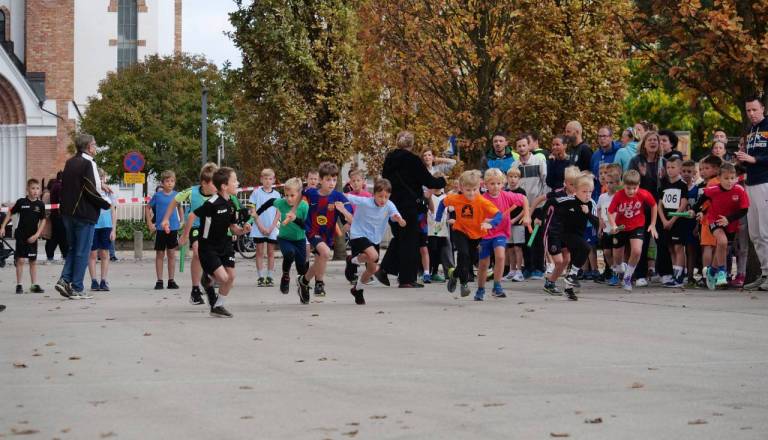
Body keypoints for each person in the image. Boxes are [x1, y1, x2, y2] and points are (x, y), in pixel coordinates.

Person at [179, 167, 251, 318]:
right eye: (234, 181)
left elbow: (233, 227)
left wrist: (243, 230)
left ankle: (217, 306)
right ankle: (209, 278)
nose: (238, 183)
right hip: (208, 246)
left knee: (231, 277)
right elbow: (192, 216)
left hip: (225, 244)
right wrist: (185, 236)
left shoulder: (231, 203)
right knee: (224, 278)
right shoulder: (212, 203)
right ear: (224, 186)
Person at [379, 131, 447, 288]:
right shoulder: (413, 159)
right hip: (409, 206)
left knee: (400, 238)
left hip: (392, 205)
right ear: (411, 144)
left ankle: (384, 269)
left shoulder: (389, 159)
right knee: (410, 240)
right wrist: (442, 181)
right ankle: (407, 279)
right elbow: (428, 180)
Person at [54, 134, 111, 300]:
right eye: (94, 144)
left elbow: (78, 185)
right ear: (88, 147)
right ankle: (77, 287)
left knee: (74, 249)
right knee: (82, 251)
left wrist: (101, 186)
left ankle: (64, 280)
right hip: (84, 213)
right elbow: (90, 189)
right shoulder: (89, 163)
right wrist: (105, 203)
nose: (96, 147)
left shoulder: (70, 162)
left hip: (67, 213)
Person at [435, 170, 502, 297]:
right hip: (460, 230)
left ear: (479, 187)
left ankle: (454, 274)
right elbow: (442, 204)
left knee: (469, 260)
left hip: (477, 235)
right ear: (461, 188)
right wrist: (438, 220)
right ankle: (464, 284)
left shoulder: (482, 201)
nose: (471, 193)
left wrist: (491, 224)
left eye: (474, 189)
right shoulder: (455, 198)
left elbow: (498, 215)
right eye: (468, 190)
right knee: (463, 254)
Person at [341, 178, 406, 305]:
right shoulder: (365, 201)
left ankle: (357, 289)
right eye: (380, 196)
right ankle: (353, 260)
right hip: (358, 233)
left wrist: (399, 220)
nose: (383, 199)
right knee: (374, 255)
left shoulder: (389, 205)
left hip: (374, 238)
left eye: (386, 196)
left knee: (371, 269)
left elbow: (395, 215)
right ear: (374, 194)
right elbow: (346, 196)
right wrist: (333, 197)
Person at [162, 163, 218, 306]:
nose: (217, 186)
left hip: (213, 228)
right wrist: (166, 219)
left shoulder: (219, 194)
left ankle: (208, 277)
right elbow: (174, 201)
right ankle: (195, 290)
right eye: (214, 183)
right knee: (198, 252)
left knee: (212, 256)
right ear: (204, 183)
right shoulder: (191, 192)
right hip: (195, 226)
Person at [689, 163, 750, 289]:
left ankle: (711, 271)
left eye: (732, 178)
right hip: (714, 220)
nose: (729, 181)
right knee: (722, 242)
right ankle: (721, 272)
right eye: (726, 178)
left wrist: (729, 219)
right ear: (719, 178)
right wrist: (694, 210)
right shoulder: (713, 190)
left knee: (722, 248)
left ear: (736, 178)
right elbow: (701, 199)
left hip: (730, 222)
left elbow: (744, 210)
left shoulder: (739, 190)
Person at [298, 162, 353, 299]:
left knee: (320, 259)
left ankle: (304, 281)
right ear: (320, 180)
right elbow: (296, 197)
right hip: (312, 231)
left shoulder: (339, 197)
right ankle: (319, 283)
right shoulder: (310, 193)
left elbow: (352, 220)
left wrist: (344, 211)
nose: (332, 183)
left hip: (327, 235)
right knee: (326, 253)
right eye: (328, 179)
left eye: (334, 180)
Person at [540, 174, 598, 301]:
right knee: (583, 249)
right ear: (576, 191)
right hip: (560, 233)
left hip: (576, 235)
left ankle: (568, 288)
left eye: (590, 192)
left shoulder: (591, 204)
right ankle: (568, 277)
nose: (587, 195)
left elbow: (596, 222)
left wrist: (587, 213)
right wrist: (541, 218)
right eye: (584, 191)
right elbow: (550, 202)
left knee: (573, 259)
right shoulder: (567, 201)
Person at [476, 168, 529, 300]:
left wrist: (527, 215)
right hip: (485, 234)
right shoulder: (482, 199)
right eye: (492, 184)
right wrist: (484, 221)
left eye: (499, 183)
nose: (496, 186)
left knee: (500, 256)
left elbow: (524, 199)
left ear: (503, 184)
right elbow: (477, 218)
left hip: (500, 233)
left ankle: (497, 286)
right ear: (485, 185)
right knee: (483, 264)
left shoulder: (507, 195)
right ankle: (480, 289)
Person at [252, 177, 309, 296]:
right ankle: (286, 276)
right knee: (289, 253)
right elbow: (269, 202)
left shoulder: (304, 206)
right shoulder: (281, 202)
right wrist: (257, 213)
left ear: (299, 194)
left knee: (302, 268)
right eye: (286, 195)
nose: (288, 198)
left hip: (300, 240)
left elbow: (307, 227)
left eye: (292, 195)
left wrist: (295, 219)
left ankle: (303, 289)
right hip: (284, 238)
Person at [736, 96, 768, 290]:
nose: (751, 114)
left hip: (765, 182)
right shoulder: (750, 130)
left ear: (762, 108)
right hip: (751, 182)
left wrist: (754, 159)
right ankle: (764, 274)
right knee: (755, 233)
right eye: (748, 111)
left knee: (765, 231)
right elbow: (750, 158)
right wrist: (742, 160)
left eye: (754, 110)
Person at [608, 170, 659, 292]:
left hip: (637, 225)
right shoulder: (619, 195)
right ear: (623, 185)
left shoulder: (644, 194)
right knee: (618, 259)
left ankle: (628, 277)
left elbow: (654, 205)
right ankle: (621, 269)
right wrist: (613, 225)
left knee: (637, 251)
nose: (631, 191)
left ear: (639, 185)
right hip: (621, 227)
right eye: (628, 188)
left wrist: (653, 224)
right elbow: (610, 211)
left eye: (634, 188)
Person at [628, 131, 665, 285]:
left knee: (661, 239)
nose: (653, 142)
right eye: (649, 140)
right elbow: (630, 181)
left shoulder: (663, 161)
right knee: (641, 240)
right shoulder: (636, 160)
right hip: (641, 206)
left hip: (660, 206)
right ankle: (640, 274)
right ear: (644, 143)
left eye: (655, 140)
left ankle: (664, 272)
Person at [0, 179, 47, 294]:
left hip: (33, 237)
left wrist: (37, 235)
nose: (35, 191)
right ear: (27, 189)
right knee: (20, 260)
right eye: (32, 188)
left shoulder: (40, 205)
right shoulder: (21, 202)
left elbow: (43, 220)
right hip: (21, 236)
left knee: (32, 261)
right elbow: (10, 212)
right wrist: (2, 227)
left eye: (37, 188)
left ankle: (34, 285)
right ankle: (19, 285)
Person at [656, 158, 689, 287]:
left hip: (678, 221)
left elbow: (684, 203)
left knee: (678, 247)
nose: (670, 170)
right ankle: (675, 273)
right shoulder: (664, 184)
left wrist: (673, 219)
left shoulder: (682, 184)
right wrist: (664, 220)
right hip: (665, 221)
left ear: (679, 169)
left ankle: (680, 275)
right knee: (670, 247)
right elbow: (659, 205)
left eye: (673, 167)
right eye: (668, 167)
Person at [147, 170, 181, 290]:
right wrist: (150, 223)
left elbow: (180, 206)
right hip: (161, 228)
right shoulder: (157, 196)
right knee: (160, 253)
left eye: (172, 181)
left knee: (171, 253)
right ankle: (159, 280)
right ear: (162, 183)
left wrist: (181, 221)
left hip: (173, 228)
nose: (170, 183)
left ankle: (171, 280)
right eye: (167, 181)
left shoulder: (177, 195)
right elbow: (148, 207)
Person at [249, 168, 281, 287]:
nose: (268, 181)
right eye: (265, 178)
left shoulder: (277, 195)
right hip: (259, 228)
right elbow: (253, 211)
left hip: (272, 229)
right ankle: (261, 277)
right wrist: (261, 227)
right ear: (261, 179)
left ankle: (270, 277)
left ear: (274, 180)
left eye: (270, 179)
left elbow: (279, 212)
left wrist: (272, 227)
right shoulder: (256, 193)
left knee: (271, 252)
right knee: (259, 252)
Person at [694, 155, 723, 287]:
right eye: (703, 168)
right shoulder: (722, 182)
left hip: (708, 219)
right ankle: (717, 273)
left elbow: (707, 201)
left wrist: (700, 211)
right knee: (717, 247)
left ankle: (707, 276)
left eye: (707, 168)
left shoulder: (712, 183)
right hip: (719, 219)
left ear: (716, 169)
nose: (703, 171)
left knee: (707, 247)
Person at [87, 169, 117, 292]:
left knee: (105, 253)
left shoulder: (110, 193)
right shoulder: (90, 191)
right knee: (92, 254)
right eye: (98, 178)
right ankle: (94, 281)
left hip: (106, 226)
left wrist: (113, 229)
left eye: (102, 177)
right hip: (93, 226)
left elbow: (113, 211)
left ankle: (103, 281)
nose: (100, 179)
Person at [596, 165, 622, 285]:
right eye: (607, 183)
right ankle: (612, 270)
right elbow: (599, 210)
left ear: (617, 183)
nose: (609, 185)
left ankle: (618, 273)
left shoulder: (619, 196)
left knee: (617, 253)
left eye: (611, 182)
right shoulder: (602, 197)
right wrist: (600, 225)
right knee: (606, 252)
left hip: (616, 229)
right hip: (606, 229)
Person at [426, 172, 453, 283]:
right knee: (431, 250)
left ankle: (435, 272)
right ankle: (427, 271)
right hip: (430, 228)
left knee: (439, 251)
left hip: (442, 229)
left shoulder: (446, 197)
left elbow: (450, 210)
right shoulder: (428, 196)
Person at [504, 167, 528, 282]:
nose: (513, 179)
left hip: (518, 223)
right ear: (507, 178)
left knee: (518, 247)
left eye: (515, 177)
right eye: (510, 177)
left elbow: (525, 208)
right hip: (507, 224)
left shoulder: (521, 192)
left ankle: (519, 271)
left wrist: (515, 219)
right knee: (510, 248)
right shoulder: (505, 192)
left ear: (519, 179)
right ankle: (511, 270)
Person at [590, 126, 621, 197]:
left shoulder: (619, 152)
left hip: (614, 195)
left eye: (604, 136)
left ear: (611, 137)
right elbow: (592, 175)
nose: (601, 139)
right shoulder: (595, 154)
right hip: (597, 196)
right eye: (599, 136)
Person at [44, 172, 67, 262]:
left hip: (56, 215)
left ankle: (51, 256)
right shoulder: (59, 186)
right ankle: (64, 255)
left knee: (55, 237)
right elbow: (62, 199)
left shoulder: (55, 186)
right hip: (59, 215)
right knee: (62, 237)